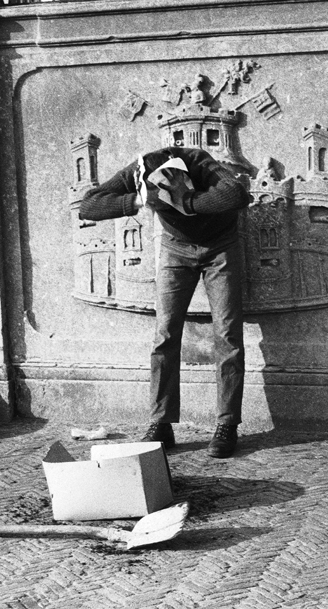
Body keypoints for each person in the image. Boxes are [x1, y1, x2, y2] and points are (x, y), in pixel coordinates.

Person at [79, 147, 249, 458]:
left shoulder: (198, 162)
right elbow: (88, 206)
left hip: (220, 248)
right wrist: (139, 199)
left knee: (227, 336)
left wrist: (184, 201)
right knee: (165, 336)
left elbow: (237, 194)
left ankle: (227, 425)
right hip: (175, 249)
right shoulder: (142, 168)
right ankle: (161, 423)